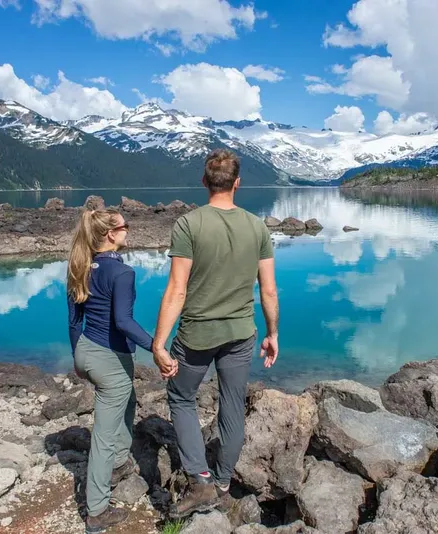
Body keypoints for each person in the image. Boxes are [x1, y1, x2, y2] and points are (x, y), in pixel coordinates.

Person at [152, 149, 280, 518]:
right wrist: (272, 334)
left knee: (180, 397)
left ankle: (201, 480)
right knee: (232, 404)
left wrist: (159, 343)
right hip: (242, 333)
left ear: (204, 182)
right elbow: (268, 291)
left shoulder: (189, 224)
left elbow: (177, 289)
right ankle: (223, 482)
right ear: (238, 183)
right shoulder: (257, 226)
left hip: (196, 335)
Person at [66, 208, 153, 533]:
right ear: (111, 234)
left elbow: (74, 320)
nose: (128, 229)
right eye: (124, 226)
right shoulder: (122, 273)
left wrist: (78, 357)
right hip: (110, 358)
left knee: (127, 400)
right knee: (103, 435)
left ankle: (118, 461)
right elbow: (124, 322)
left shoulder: (81, 265)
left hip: (86, 351)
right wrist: (156, 345)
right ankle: (97, 511)